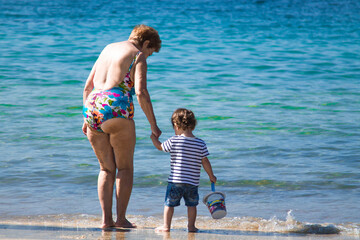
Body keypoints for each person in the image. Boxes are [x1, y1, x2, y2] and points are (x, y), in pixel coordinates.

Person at [82, 24, 162, 229]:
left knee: (105, 169)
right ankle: (121, 219)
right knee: (125, 168)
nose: (148, 56)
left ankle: (105, 221)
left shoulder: (107, 48)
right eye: (150, 52)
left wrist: (86, 119)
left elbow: (88, 86)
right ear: (146, 43)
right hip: (116, 108)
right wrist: (154, 126)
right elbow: (141, 92)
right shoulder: (138, 55)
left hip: (92, 107)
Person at [150, 108, 217, 232]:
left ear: (176, 125)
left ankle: (166, 226)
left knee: (169, 204)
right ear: (192, 125)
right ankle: (191, 227)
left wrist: (153, 138)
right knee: (192, 205)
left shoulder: (174, 140)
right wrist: (211, 176)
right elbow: (205, 161)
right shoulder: (200, 143)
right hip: (192, 183)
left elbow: (160, 147)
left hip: (176, 181)